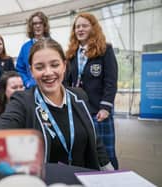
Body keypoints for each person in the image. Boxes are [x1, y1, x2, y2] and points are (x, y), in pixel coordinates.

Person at [0, 39, 113, 187]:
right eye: (40, 67)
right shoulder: (23, 100)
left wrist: (110, 173)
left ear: (64, 65)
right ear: (31, 71)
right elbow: (1, 127)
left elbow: (95, 141)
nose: (48, 72)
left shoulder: (79, 96)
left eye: (55, 65)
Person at [63, 12, 118, 169]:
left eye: (84, 26)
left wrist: (106, 107)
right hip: (77, 110)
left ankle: (113, 179)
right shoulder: (71, 53)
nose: (80, 29)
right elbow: (67, 81)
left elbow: (111, 81)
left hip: (98, 111)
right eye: (77, 26)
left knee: (106, 152)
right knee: (83, 150)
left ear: (93, 28)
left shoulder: (105, 50)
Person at [16, 11, 50, 89]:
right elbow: (19, 69)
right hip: (31, 90)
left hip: (49, 87)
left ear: (45, 25)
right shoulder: (25, 47)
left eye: (40, 23)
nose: (37, 26)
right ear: (31, 26)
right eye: (34, 24)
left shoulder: (52, 45)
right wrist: (27, 82)